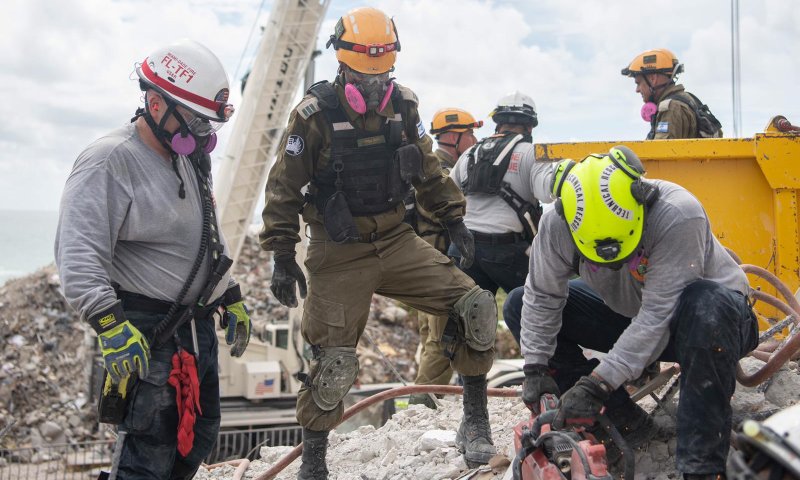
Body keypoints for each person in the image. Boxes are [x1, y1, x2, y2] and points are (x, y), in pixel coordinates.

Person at [258, 7, 499, 478]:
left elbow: (427, 168)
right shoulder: (313, 116)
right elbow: (283, 187)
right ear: (342, 65)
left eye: (382, 75)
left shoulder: (403, 107)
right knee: (331, 359)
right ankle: (314, 462)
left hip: (395, 238)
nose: (373, 88)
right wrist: (283, 256)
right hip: (337, 248)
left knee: (474, 306)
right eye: (365, 77)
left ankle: (475, 420)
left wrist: (454, 221)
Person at [55, 39, 251, 479]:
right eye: (197, 122)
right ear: (156, 102)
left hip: (193, 329)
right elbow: (78, 252)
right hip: (146, 334)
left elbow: (203, 239)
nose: (205, 136)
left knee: (196, 439)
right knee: (148, 456)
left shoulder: (187, 161)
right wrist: (109, 325)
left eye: (209, 125)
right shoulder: (110, 161)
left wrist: (228, 294)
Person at [514, 145, 758, 479]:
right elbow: (542, 296)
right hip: (632, 313)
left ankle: (700, 467)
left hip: (709, 324)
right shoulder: (558, 223)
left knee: (706, 304)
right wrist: (535, 367)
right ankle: (625, 425)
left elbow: (659, 314)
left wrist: (597, 384)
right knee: (516, 304)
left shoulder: (677, 213)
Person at [449, 92, 554, 346]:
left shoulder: (469, 153)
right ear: (530, 126)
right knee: (542, 312)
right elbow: (547, 193)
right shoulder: (531, 152)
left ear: (498, 122)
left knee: (468, 326)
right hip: (509, 251)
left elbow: (449, 192)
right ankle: (544, 370)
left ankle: (470, 384)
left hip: (464, 249)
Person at [406, 108, 482, 408]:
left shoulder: (441, 168)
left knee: (432, 340)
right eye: (471, 134)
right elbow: (445, 211)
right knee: (442, 342)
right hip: (435, 268)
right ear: (453, 137)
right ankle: (418, 408)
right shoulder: (438, 172)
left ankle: (419, 405)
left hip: (424, 267)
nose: (475, 140)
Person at [621, 48, 722, 139]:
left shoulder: (671, 107)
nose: (637, 90)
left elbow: (660, 154)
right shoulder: (689, 99)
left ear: (653, 79)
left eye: (638, 83)